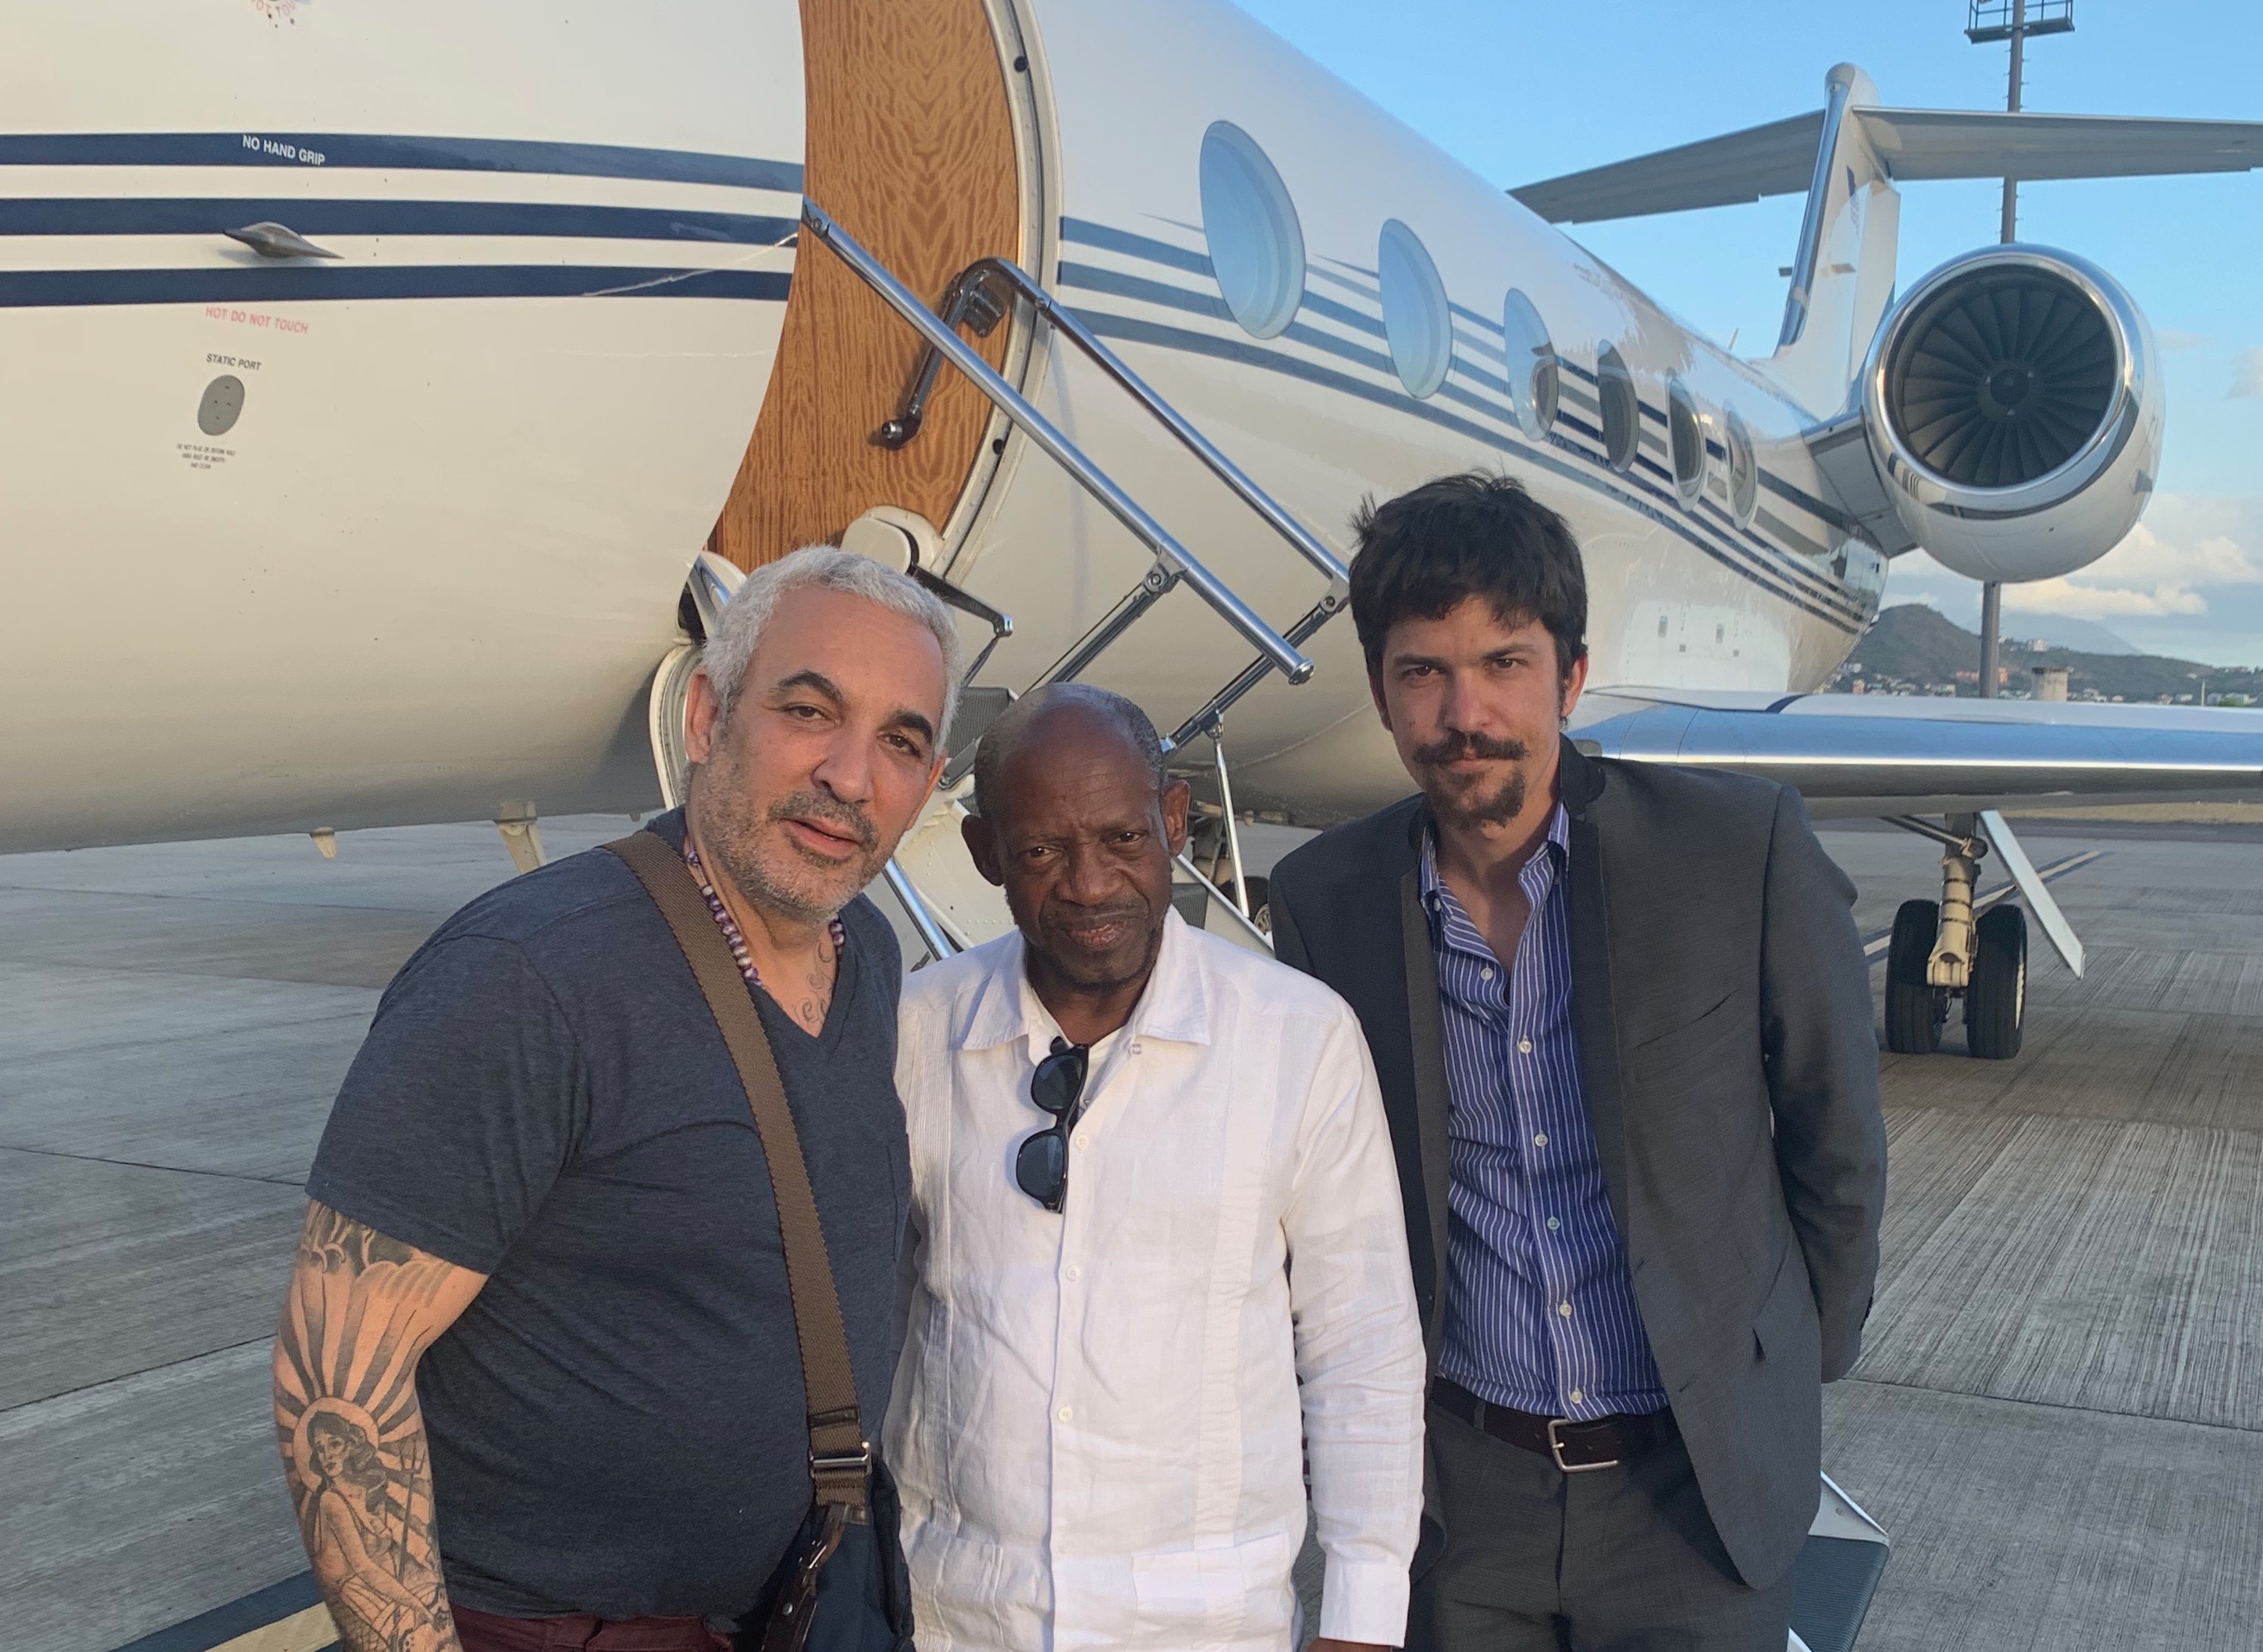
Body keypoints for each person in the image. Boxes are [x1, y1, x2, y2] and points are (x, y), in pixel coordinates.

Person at [273, 545, 961, 1652]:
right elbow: (336, 1383)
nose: (848, 774)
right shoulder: (531, 976)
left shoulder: (865, 953)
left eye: (900, 740)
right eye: (806, 709)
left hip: (799, 1604)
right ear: (704, 717)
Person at [1267, 473, 1888, 1650]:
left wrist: (1780, 1363)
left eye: (1503, 662)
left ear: (1570, 673)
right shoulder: (1325, 904)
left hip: (1691, 1496)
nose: (1465, 712)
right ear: (1380, 693)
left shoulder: (1734, 853)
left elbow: (1835, 1137)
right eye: (1423, 672)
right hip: (1463, 1505)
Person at [886, 684, 1426, 1652]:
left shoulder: (1295, 1037)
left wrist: (1363, 1617)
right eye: (1042, 851)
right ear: (983, 854)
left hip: (1207, 1626)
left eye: (1122, 840)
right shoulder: (914, 1034)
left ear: (1173, 822)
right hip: (956, 1620)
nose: (1089, 884)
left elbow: (1362, 1345)